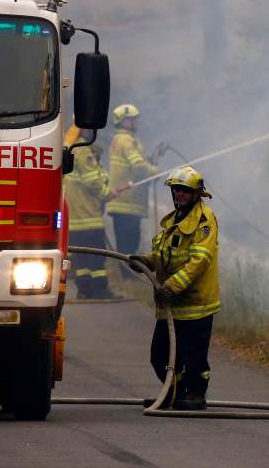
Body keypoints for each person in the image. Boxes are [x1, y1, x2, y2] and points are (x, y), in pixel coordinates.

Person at [129, 165, 220, 411]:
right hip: (170, 303)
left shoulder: (204, 220)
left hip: (194, 303)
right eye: (176, 189)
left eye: (184, 190)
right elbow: (166, 253)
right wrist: (146, 262)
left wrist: (172, 286)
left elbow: (200, 260)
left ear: (196, 193)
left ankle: (196, 395)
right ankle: (173, 394)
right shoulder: (174, 220)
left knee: (194, 357)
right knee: (160, 356)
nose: (179, 194)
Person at [63, 126, 118, 300]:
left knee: (81, 260)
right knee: (97, 257)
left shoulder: (71, 149)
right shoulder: (83, 150)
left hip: (74, 218)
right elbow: (92, 181)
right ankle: (101, 290)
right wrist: (107, 193)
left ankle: (84, 290)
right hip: (89, 216)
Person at [106, 104, 159, 255]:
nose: (135, 122)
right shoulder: (127, 141)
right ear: (122, 122)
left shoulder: (119, 140)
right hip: (127, 201)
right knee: (129, 244)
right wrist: (154, 171)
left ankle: (126, 275)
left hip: (124, 202)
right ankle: (127, 275)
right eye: (131, 120)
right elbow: (138, 166)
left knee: (127, 243)